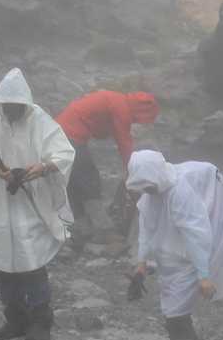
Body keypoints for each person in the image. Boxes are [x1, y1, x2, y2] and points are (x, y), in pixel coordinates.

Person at [0, 68, 75, 340]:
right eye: (8, 106)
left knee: (31, 261)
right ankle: (15, 318)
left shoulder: (39, 120)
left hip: (29, 200)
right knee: (0, 261)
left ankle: (40, 319)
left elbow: (64, 152)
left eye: (17, 106)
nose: (12, 111)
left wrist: (43, 167)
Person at [126, 149, 223, 340]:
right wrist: (141, 263)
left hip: (188, 262)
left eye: (148, 186)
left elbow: (196, 235)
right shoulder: (152, 193)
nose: (146, 191)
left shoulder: (180, 193)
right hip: (170, 261)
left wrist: (203, 275)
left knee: (176, 322)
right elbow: (147, 227)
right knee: (179, 318)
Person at [55, 90, 160, 237]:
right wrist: (133, 169)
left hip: (59, 133)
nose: (139, 122)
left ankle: (81, 227)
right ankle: (103, 229)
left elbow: (101, 129)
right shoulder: (121, 108)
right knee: (89, 180)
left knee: (73, 180)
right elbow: (124, 142)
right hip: (70, 135)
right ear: (141, 111)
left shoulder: (116, 100)